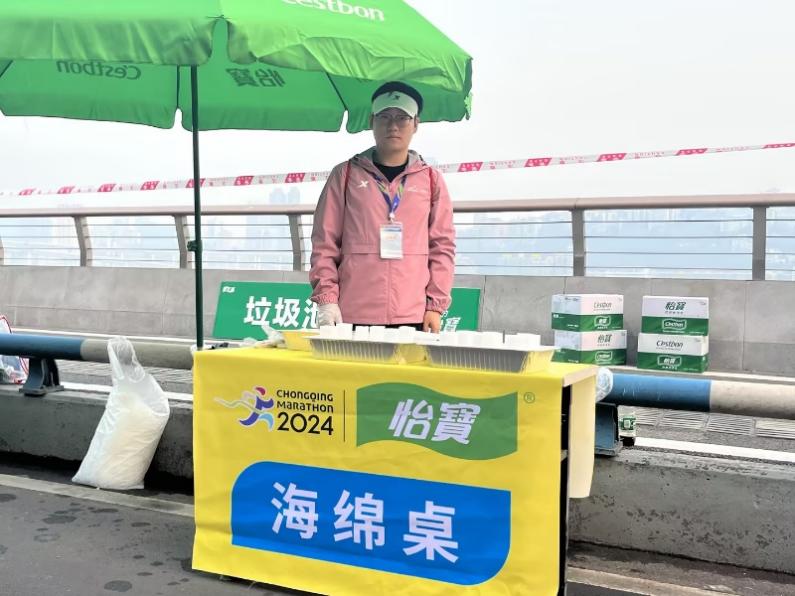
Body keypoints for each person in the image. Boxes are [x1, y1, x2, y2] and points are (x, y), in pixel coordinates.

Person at [309, 81, 455, 333]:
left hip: (413, 312)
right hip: (352, 310)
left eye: (402, 118)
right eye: (384, 116)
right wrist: (327, 299)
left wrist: (435, 305)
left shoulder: (431, 180)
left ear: (416, 124)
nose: (393, 125)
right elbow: (325, 242)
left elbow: (442, 247)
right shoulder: (345, 175)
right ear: (371, 121)